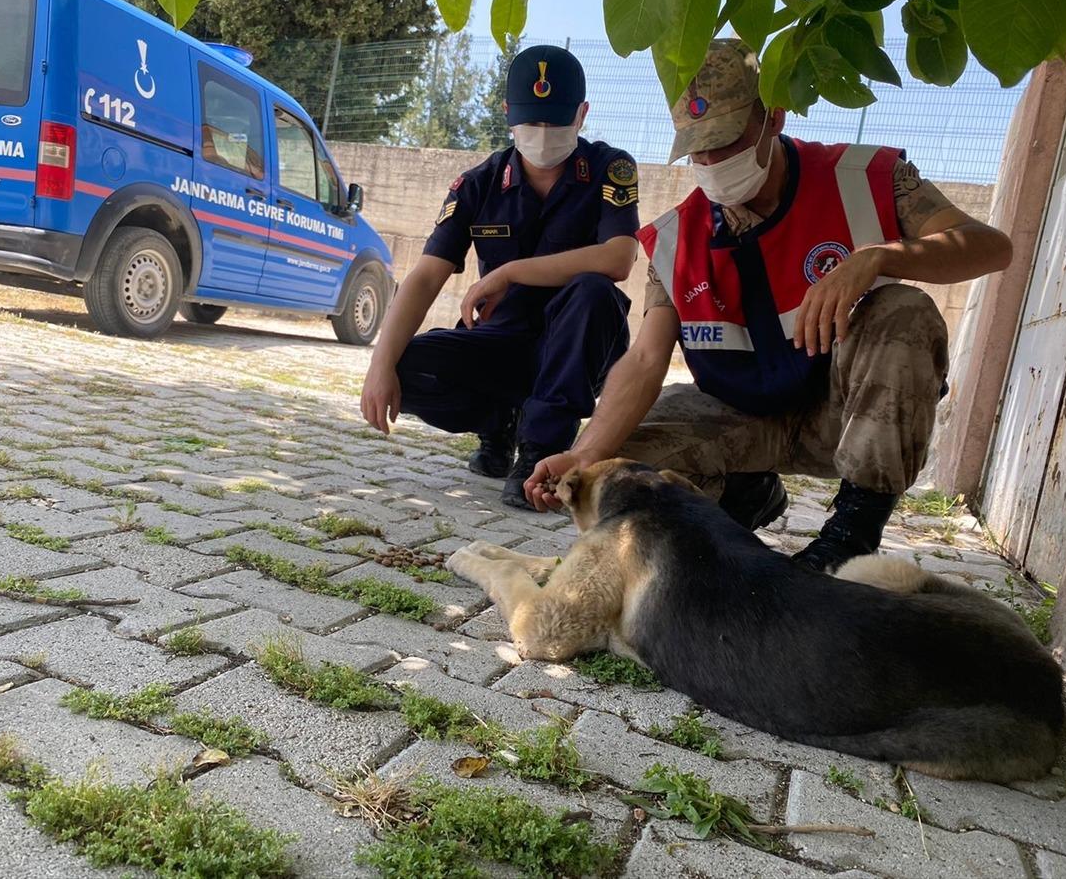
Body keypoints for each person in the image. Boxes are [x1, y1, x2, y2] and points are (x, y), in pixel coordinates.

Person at [523, 39, 1013, 572]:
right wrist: (587, 453)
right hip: (738, 415)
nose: (710, 163)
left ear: (772, 119)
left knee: (903, 311)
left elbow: (991, 246)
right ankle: (744, 499)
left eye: (726, 142)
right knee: (621, 476)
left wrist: (879, 258)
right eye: (697, 149)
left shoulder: (864, 181)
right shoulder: (675, 239)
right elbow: (644, 360)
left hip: (842, 417)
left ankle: (851, 536)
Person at [360, 44, 640, 509]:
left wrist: (510, 271)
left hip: (577, 350)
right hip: (501, 343)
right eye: (532, 121)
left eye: (556, 121)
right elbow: (427, 276)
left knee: (593, 291)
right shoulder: (479, 183)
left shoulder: (610, 169)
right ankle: (501, 423)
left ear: (583, 114)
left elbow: (619, 258)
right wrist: (378, 365)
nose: (544, 133)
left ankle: (541, 451)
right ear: (508, 113)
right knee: (404, 365)